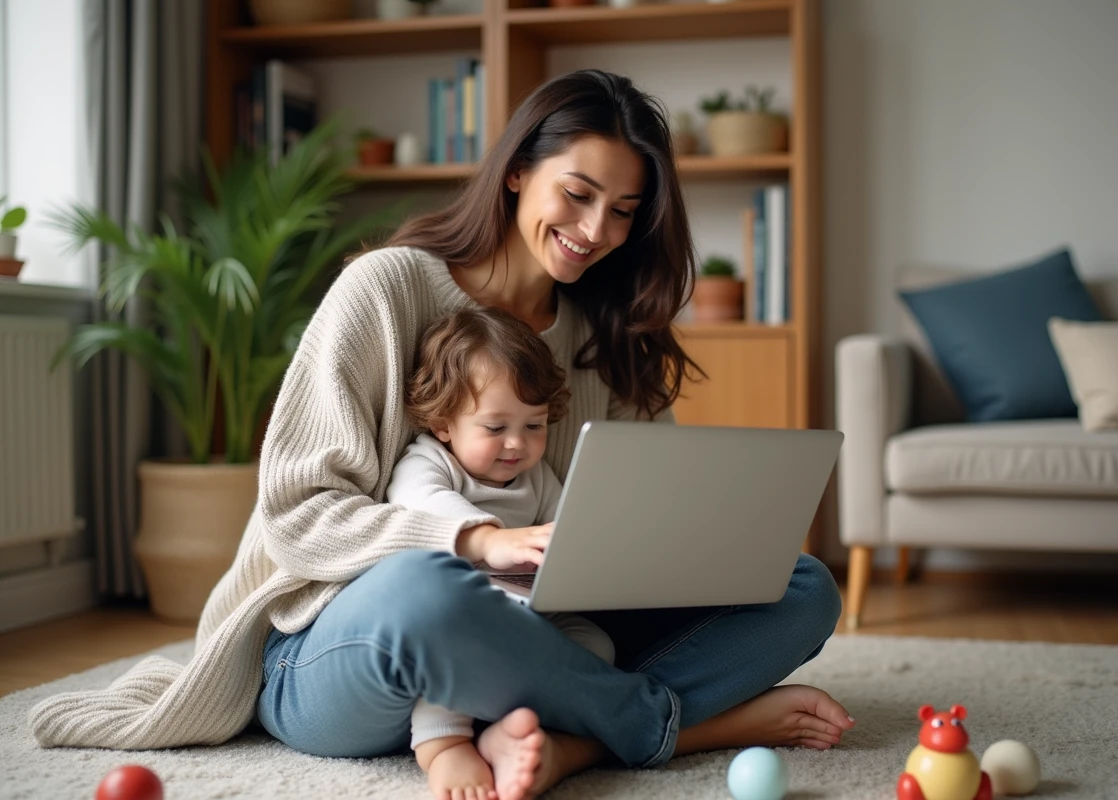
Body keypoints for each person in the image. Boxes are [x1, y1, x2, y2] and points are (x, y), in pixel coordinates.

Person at [29, 69, 853, 800]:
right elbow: (296, 512)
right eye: (578, 193)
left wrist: (695, 545)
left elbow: (642, 521)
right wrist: (475, 539)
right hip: (347, 653)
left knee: (805, 586)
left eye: (624, 212)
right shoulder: (386, 291)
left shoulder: (606, 335)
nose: (597, 229)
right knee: (426, 589)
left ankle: (568, 737)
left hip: (537, 634)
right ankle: (668, 726)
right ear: (519, 171)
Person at [389, 306, 617, 799]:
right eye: (495, 428)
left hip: (533, 617)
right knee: (448, 657)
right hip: (461, 622)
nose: (517, 444)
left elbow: (568, 524)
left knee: (598, 646)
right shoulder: (430, 462)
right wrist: (491, 539)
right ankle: (444, 748)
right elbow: (419, 506)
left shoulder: (535, 477)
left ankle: (517, 726)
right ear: (444, 422)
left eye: (534, 426)